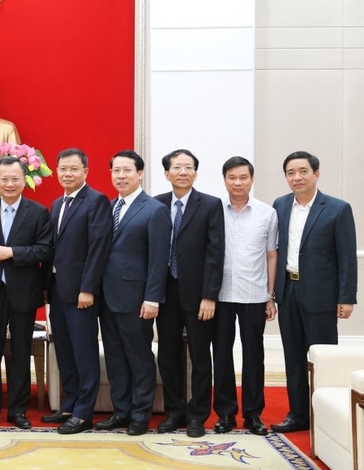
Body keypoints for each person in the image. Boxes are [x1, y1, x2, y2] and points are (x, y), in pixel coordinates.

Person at [270, 151, 357, 433]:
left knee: (321, 357)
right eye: (291, 173)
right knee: (293, 356)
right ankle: (298, 414)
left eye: (303, 171)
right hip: (287, 290)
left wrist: (346, 297)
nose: (297, 177)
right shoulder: (280, 206)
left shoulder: (337, 208)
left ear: (316, 174)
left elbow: (346, 257)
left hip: (321, 295)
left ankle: (325, 418)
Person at [0, 156, 53, 430]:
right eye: (4, 179)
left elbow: (46, 249)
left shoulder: (39, 212)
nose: (10, 184)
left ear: (24, 181)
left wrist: (14, 253)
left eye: (15, 178)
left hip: (23, 293)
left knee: (21, 353)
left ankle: (18, 411)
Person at [96, 150, 170, 436]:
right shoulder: (109, 207)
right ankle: (121, 410)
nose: (121, 176)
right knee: (115, 356)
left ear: (140, 173)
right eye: (116, 170)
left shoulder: (154, 209)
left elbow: (158, 258)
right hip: (107, 298)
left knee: (139, 357)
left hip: (138, 300)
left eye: (127, 170)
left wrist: (152, 298)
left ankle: (140, 414)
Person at [154, 149, 224, 438]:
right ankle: (174, 411)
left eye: (189, 167)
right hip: (165, 292)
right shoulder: (156, 205)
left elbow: (215, 253)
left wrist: (209, 296)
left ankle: (197, 415)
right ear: (166, 173)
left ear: (196, 172)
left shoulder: (210, 205)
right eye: (177, 167)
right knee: (168, 355)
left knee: (199, 357)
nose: (183, 172)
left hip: (198, 297)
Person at [42, 148, 111, 434]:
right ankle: (69, 404)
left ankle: (84, 414)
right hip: (58, 289)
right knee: (65, 351)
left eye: (73, 169)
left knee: (84, 352)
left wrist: (88, 289)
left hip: (81, 293)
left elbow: (98, 248)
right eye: (62, 169)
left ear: (85, 171)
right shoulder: (58, 203)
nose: (67, 174)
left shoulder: (96, 201)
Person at [212, 157, 277, 436]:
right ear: (224, 179)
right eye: (232, 178)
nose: (237, 183)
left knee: (254, 355)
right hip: (220, 295)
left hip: (254, 294)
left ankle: (253, 413)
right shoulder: (214, 211)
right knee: (222, 355)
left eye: (243, 177)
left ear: (252, 179)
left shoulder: (267, 213)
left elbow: (271, 255)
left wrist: (270, 295)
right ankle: (225, 413)